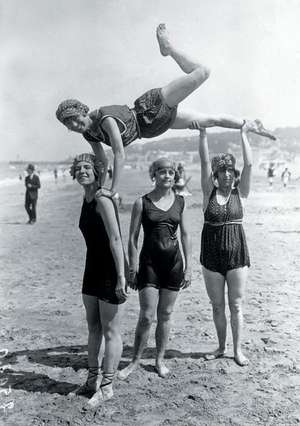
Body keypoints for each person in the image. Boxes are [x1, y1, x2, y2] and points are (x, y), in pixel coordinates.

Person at [56, 23, 276, 198]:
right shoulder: (89, 133)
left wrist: (112, 189)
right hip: (152, 130)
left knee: (203, 73)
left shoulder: (104, 118)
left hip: (149, 110)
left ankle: (168, 49)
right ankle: (249, 124)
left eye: (75, 120)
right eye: (69, 125)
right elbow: (102, 161)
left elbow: (119, 154)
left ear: (83, 111)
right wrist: (99, 188)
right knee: (209, 120)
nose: (75, 126)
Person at [119, 157, 192, 380]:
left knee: (166, 314)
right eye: (162, 172)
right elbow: (132, 238)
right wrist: (133, 266)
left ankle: (159, 360)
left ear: (175, 175)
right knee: (146, 316)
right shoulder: (142, 202)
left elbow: (186, 235)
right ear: (154, 175)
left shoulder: (180, 201)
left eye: (171, 172)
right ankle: (134, 361)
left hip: (174, 265)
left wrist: (189, 268)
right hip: (149, 265)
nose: (167, 176)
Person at [71, 153, 128, 408]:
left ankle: (107, 386)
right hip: (91, 269)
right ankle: (92, 380)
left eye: (87, 167)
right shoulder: (86, 198)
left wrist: (121, 277)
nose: (83, 171)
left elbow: (116, 240)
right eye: (79, 168)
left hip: (108, 270)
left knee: (111, 330)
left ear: (97, 171)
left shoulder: (103, 199)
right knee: (93, 327)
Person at [198, 124, 252, 367]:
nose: (227, 174)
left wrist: (243, 134)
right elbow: (202, 162)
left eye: (230, 170)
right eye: (222, 171)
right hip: (210, 254)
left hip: (237, 253)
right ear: (216, 175)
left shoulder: (241, 192)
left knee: (236, 305)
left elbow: (249, 165)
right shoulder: (208, 192)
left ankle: (237, 350)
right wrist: (203, 134)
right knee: (217, 306)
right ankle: (221, 347)